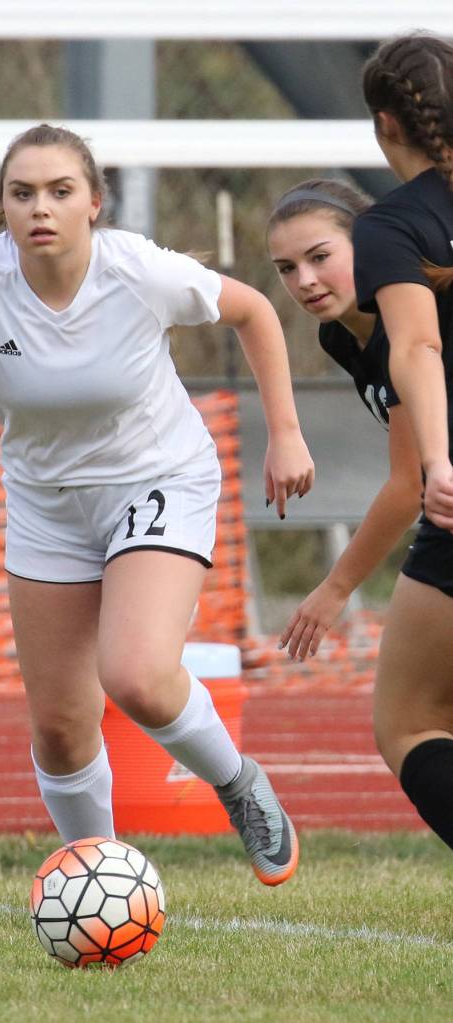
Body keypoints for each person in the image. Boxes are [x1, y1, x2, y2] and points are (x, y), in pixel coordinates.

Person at [0, 123, 314, 884]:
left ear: (94, 202)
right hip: (48, 505)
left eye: (60, 191)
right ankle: (101, 878)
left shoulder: (138, 270)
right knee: (60, 727)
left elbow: (254, 309)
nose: (40, 208)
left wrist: (284, 434)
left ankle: (238, 784)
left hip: (158, 478)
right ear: (3, 204)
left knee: (136, 674)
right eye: (22, 193)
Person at [352, 33, 453, 848]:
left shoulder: (392, 225)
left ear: (386, 124)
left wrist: (439, 459)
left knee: (411, 722)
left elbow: (417, 344)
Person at [266, 178, 422, 661]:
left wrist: (335, 588)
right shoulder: (337, 335)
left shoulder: (409, 322)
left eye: (319, 257)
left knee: (407, 693)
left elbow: (410, 483)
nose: (305, 280)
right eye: (287, 268)